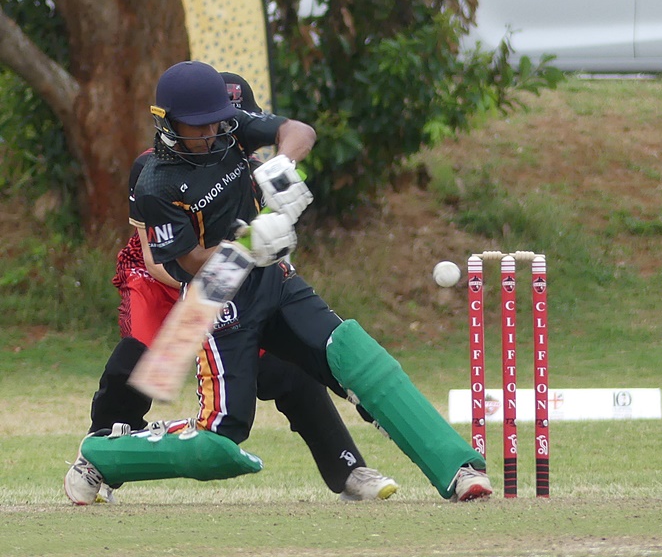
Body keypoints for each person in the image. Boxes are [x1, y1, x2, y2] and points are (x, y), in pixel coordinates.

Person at [64, 60, 492, 504]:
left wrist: (283, 164)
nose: (212, 132)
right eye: (199, 125)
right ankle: (102, 456)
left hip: (273, 277)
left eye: (218, 121)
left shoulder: (231, 127)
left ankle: (458, 469)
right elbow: (187, 263)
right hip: (216, 293)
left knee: (355, 357)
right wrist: (248, 242)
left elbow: (299, 130)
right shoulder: (156, 181)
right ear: (169, 123)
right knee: (219, 441)